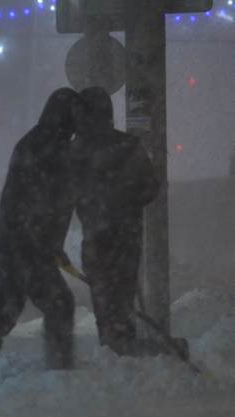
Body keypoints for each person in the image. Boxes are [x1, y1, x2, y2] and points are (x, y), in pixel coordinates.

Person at [0, 88, 80, 384]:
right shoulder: (52, 148)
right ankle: (59, 372)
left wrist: (51, 245)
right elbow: (46, 203)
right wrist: (44, 244)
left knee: (2, 310)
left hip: (14, 243)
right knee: (58, 303)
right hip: (26, 246)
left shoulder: (35, 142)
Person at [71, 86, 160, 356]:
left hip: (96, 235)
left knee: (103, 294)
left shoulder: (76, 150)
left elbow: (64, 194)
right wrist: (126, 201)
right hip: (126, 235)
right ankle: (123, 343)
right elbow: (150, 188)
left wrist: (93, 205)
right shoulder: (128, 145)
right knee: (122, 293)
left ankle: (110, 344)